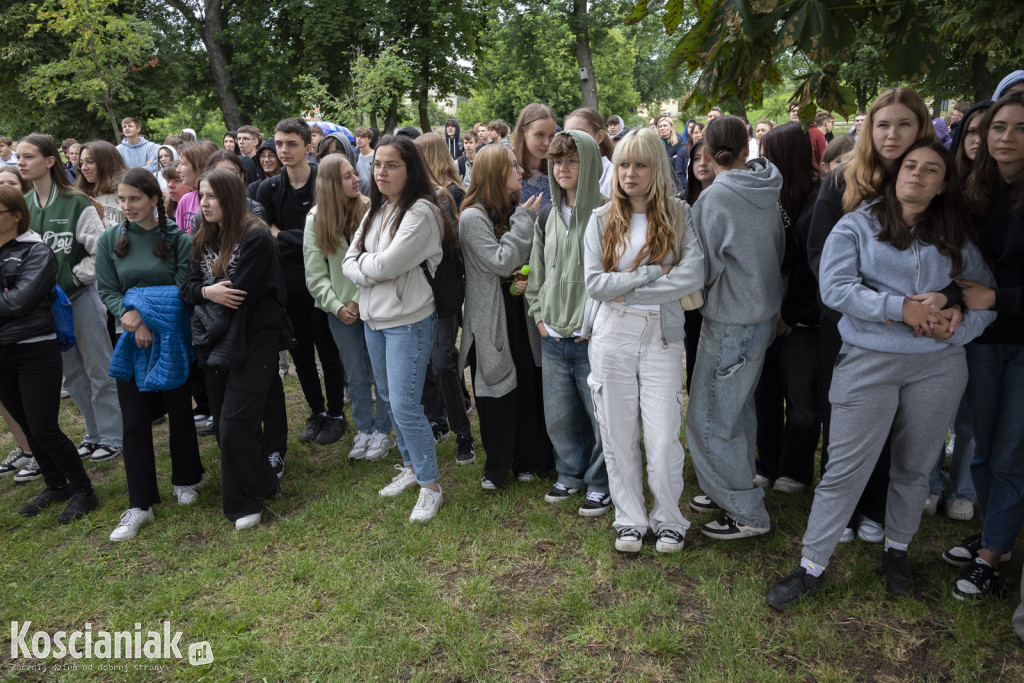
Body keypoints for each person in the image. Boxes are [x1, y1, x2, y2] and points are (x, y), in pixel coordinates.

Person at [766, 141, 996, 610]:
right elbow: (835, 289)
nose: (918, 175)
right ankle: (811, 565)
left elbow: (983, 296)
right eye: (911, 166)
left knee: (914, 464)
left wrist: (957, 330)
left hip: (938, 365)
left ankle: (897, 551)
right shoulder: (857, 225)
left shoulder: (954, 234)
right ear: (895, 174)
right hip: (868, 359)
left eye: (931, 170)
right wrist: (902, 309)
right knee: (844, 469)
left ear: (942, 184)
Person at [807, 87, 939, 544]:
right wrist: (864, 310)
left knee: (896, 423)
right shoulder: (842, 181)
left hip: (918, 333)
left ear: (920, 127)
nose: (892, 134)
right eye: (883, 124)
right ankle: (842, 512)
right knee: (842, 421)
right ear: (868, 129)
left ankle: (876, 508)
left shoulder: (934, 180)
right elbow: (819, 256)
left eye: (904, 124)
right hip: (849, 328)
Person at [582, 128, 705, 553]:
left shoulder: (678, 213)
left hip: (663, 337)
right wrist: (655, 273)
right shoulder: (600, 219)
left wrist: (629, 287)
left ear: (656, 167)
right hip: (612, 334)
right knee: (617, 434)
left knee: (662, 436)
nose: (630, 173)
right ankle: (630, 519)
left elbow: (693, 274)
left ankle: (669, 519)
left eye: (640, 164)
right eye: (622, 164)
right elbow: (595, 283)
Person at [685, 115, 784, 540]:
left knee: (710, 418)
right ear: (749, 147)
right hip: (760, 316)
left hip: (731, 321)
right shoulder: (766, 186)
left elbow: (702, 269)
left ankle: (746, 511)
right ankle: (731, 485)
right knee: (738, 411)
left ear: (706, 152)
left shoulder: (715, 198)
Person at [341, 135, 445, 523]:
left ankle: (430, 486)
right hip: (374, 319)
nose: (380, 171)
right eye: (377, 164)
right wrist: (372, 269)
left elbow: (383, 267)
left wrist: (370, 268)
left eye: (391, 165)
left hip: (408, 322)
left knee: (405, 405)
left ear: (410, 169)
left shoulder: (421, 213)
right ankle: (411, 467)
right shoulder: (376, 209)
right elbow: (351, 260)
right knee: (387, 395)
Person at [945, 92, 1024, 601]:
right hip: (981, 338)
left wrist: (998, 297)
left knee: (1012, 450)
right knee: (980, 443)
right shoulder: (975, 191)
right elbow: (954, 262)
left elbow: (992, 285)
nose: (1006, 138)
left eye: (1019, 129)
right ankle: (1000, 532)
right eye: (999, 128)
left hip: (1020, 337)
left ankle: (993, 554)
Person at [95, 169, 202, 541]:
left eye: (135, 199)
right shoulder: (110, 239)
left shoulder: (178, 238)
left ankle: (186, 479)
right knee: (134, 419)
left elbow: (181, 287)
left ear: (154, 199)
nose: (127, 206)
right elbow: (107, 289)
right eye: (121, 199)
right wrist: (130, 318)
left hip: (170, 335)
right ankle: (140, 502)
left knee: (178, 410)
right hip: (129, 337)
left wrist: (145, 315)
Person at [180, 168, 287, 530]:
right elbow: (188, 288)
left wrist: (204, 295)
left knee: (234, 424)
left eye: (211, 196)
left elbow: (239, 295)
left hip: (254, 338)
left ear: (230, 198)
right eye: (201, 195)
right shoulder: (204, 237)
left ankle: (243, 504)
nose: (203, 203)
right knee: (228, 416)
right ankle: (261, 482)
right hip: (214, 339)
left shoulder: (256, 237)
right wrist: (207, 292)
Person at [18, 134, 122, 466]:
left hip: (78, 297)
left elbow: (102, 251)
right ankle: (93, 434)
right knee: (73, 372)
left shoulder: (76, 201)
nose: (20, 162)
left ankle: (113, 434)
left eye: (28, 156)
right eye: (18, 157)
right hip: (46, 305)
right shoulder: (26, 205)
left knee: (99, 367)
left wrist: (76, 277)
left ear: (50, 161)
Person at [0, 184, 99, 522]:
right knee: (28, 426)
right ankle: (56, 485)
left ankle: (84, 488)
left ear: (15, 215)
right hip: (2, 351)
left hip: (34, 348)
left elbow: (18, 301)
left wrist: (9, 297)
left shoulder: (35, 250)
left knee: (44, 428)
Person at [458, 144, 553, 489]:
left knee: (528, 382)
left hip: (518, 308)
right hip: (492, 316)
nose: (521, 171)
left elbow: (519, 259)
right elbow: (500, 260)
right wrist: (524, 223)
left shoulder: (510, 207)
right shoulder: (471, 218)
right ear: (496, 172)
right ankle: (498, 465)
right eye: (513, 166)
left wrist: (523, 275)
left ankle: (532, 460)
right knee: (496, 389)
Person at [525, 130, 608, 513]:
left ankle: (600, 481)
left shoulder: (608, 213)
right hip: (553, 337)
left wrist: (593, 325)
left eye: (572, 160)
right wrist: (539, 316)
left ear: (588, 163)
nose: (563, 168)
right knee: (559, 416)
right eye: (556, 161)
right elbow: (537, 272)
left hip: (591, 339)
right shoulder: (547, 214)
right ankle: (569, 474)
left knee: (599, 418)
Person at [256, 118, 347, 447]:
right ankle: (317, 412)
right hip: (288, 284)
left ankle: (337, 413)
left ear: (308, 146)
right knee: (301, 354)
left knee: (328, 349)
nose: (283, 151)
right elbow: (267, 235)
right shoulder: (268, 189)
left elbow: (329, 234)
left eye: (291, 144)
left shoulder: (323, 183)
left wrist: (286, 236)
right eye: (279, 144)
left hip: (323, 281)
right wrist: (303, 237)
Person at [305, 154, 395, 462]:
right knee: (356, 376)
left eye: (354, 174)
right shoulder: (316, 218)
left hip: (374, 305)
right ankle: (364, 430)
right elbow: (315, 275)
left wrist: (357, 298)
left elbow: (381, 260)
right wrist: (337, 307)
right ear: (331, 183)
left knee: (381, 374)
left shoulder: (372, 209)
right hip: (339, 313)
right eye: (347, 176)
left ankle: (384, 431)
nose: (356, 179)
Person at [752, 123, 821, 494]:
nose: (763, 161)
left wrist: (791, 314)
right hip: (765, 310)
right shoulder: (766, 195)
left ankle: (796, 470)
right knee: (765, 394)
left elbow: (816, 266)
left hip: (802, 318)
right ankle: (768, 462)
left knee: (802, 400)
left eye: (769, 153)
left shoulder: (819, 197)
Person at [413, 132, 474, 460]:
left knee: (442, 363)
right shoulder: (410, 198)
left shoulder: (449, 194)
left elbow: (452, 248)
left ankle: (463, 433)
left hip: (443, 295)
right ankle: (437, 420)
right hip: (414, 298)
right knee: (426, 365)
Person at [682, 140, 716, 394]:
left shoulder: (726, 200)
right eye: (695, 158)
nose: (702, 164)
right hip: (692, 294)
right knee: (694, 348)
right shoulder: (683, 203)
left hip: (720, 292)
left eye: (707, 157)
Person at [563, 107, 615, 196]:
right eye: (567, 135)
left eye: (580, 134)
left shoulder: (613, 177)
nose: (572, 140)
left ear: (599, 136)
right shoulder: (562, 173)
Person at [513, 104, 557, 207]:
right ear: (523, 133)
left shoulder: (558, 168)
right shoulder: (505, 169)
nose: (547, 142)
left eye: (551, 136)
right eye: (540, 134)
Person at [76, 140, 128, 227]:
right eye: (81, 163)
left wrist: (102, 219)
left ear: (107, 163)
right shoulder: (83, 195)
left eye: (90, 161)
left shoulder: (127, 192)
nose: (84, 168)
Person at [175, 141, 218, 234]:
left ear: (201, 165)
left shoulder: (223, 199)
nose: (177, 169)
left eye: (182, 163)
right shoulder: (186, 200)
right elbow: (180, 240)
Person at [354, 126, 375, 195]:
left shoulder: (376, 156)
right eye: (357, 136)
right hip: (360, 193)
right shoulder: (356, 157)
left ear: (369, 140)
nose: (359, 139)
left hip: (373, 192)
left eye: (362, 137)